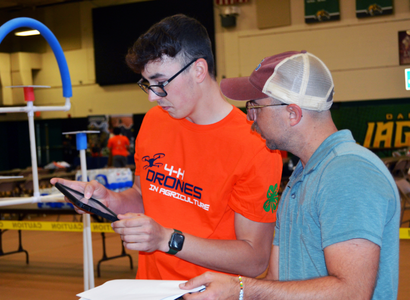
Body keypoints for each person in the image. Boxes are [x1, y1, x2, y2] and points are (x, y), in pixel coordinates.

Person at [51, 14, 282, 280]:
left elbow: (254, 260)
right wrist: (108, 200)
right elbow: (143, 195)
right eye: (148, 84)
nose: (152, 96)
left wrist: (167, 239)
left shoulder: (255, 144)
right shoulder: (154, 121)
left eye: (161, 83)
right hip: (150, 288)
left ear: (198, 70)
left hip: (209, 293)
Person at [180, 51, 400, 299]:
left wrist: (242, 289)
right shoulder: (304, 174)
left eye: (255, 107)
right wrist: (231, 292)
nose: (250, 119)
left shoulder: (347, 173)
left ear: (292, 114)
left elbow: (351, 292)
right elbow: (277, 281)